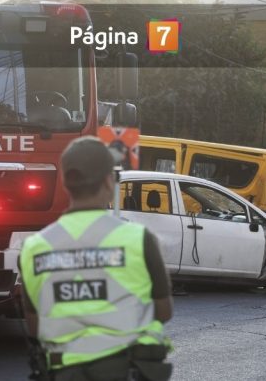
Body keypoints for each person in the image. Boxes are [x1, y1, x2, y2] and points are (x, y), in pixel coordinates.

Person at [19, 136, 173, 381]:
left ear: (65, 182)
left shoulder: (34, 248)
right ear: (108, 181)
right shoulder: (138, 239)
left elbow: (35, 326)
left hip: (65, 373)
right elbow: (163, 311)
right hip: (129, 370)